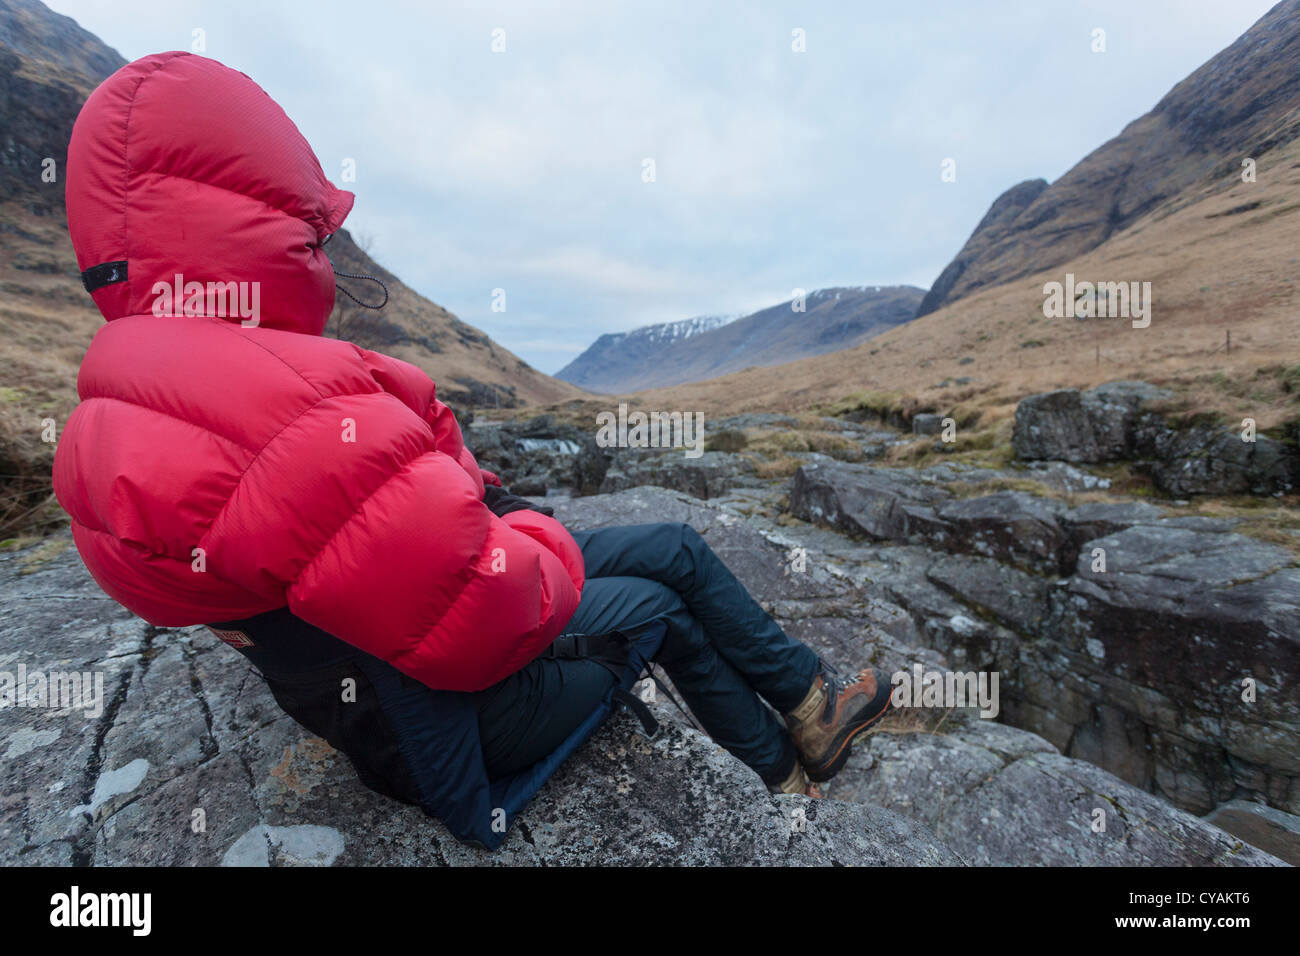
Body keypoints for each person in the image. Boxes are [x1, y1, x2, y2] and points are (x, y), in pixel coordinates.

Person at [54, 52, 891, 850]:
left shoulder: (134, 389)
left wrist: (480, 502)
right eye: (311, 239)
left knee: (670, 545)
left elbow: (370, 538)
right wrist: (524, 530)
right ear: (252, 233)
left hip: (407, 634)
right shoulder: (270, 413)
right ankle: (785, 782)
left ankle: (810, 702)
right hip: (442, 705)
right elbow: (482, 617)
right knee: (657, 602)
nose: (326, 264)